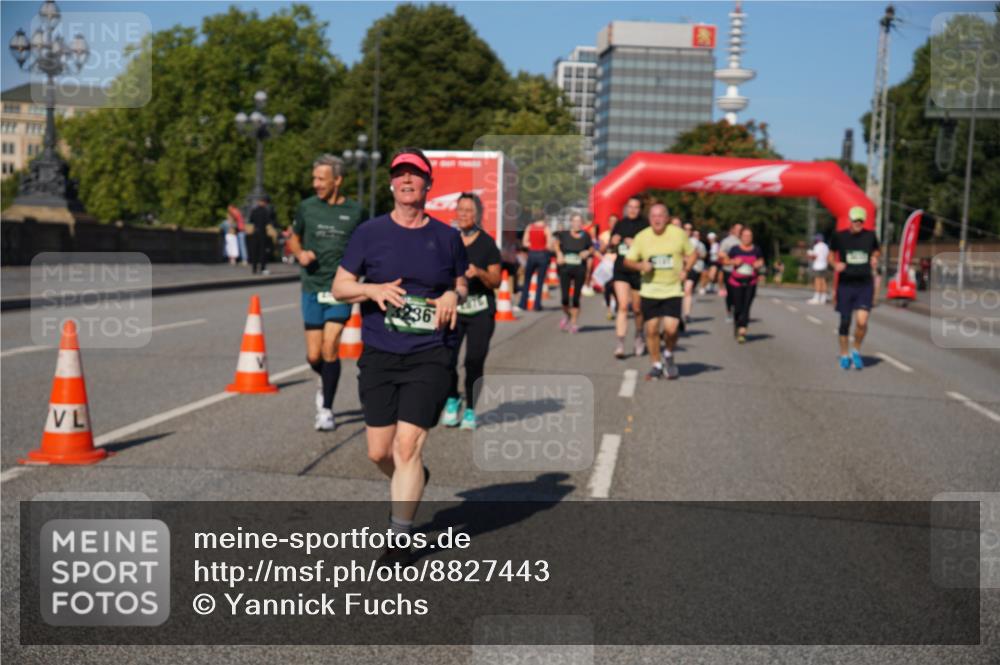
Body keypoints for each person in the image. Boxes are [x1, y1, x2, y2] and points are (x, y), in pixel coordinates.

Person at [332, 148, 468, 565]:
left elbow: (461, 285)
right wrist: (372, 290)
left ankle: (399, 537)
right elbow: (341, 287)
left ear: (429, 185)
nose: (408, 181)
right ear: (392, 184)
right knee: (380, 452)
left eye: (416, 175)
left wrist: (449, 293)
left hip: (430, 353)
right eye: (400, 175)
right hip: (380, 352)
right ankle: (413, 482)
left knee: (407, 447)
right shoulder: (369, 233)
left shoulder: (446, 237)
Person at [287, 154, 366, 431]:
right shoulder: (307, 208)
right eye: (314, 178)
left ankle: (327, 409)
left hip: (340, 289)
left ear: (338, 180)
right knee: (314, 355)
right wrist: (300, 254)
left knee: (331, 346)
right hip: (312, 286)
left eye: (321, 179)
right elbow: (294, 238)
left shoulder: (356, 212)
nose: (316, 184)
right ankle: (326, 378)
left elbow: (366, 245)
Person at [441, 192, 501, 430]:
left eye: (469, 211)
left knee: (474, 361)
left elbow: (496, 280)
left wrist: (480, 272)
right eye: (460, 210)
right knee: (446, 359)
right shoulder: (449, 239)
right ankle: (453, 399)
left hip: (480, 311)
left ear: (478, 215)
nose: (463, 215)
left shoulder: (487, 243)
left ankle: (471, 410)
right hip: (454, 310)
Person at [623, 204, 694, 381]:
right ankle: (656, 364)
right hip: (650, 290)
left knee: (671, 329)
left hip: (672, 289)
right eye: (654, 216)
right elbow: (628, 261)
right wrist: (640, 265)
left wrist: (687, 268)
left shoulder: (678, 234)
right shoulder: (642, 237)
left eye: (661, 215)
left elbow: (693, 254)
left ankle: (668, 354)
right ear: (649, 219)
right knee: (652, 329)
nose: (657, 219)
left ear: (667, 218)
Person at [830, 206, 880, 370]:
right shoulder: (839, 236)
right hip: (846, 285)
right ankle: (844, 354)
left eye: (861, 220)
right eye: (855, 220)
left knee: (861, 321)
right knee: (845, 322)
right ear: (850, 220)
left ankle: (856, 350)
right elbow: (831, 254)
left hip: (864, 284)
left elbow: (877, 250)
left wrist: (874, 257)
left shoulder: (870, 236)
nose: (858, 223)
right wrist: (835, 264)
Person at [610, 197, 649, 359]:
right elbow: (611, 246)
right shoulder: (620, 223)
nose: (632, 210)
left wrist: (636, 245)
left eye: (636, 207)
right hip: (621, 270)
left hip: (638, 271)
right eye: (630, 207)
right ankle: (620, 344)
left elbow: (651, 248)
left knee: (638, 309)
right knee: (623, 306)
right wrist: (613, 241)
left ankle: (639, 335)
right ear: (626, 208)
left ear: (640, 209)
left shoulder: (645, 225)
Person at [721, 227, 765, 343]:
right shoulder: (735, 249)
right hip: (736, 282)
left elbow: (761, 260)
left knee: (746, 306)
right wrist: (733, 262)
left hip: (751, 281)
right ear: (740, 237)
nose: (747, 238)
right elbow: (724, 261)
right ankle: (737, 324)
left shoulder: (756, 249)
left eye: (749, 236)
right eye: (745, 236)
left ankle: (742, 329)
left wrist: (758, 264)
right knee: (738, 306)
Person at [555, 213, 594, 333]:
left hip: (579, 269)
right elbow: (556, 245)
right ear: (571, 222)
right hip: (565, 268)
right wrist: (559, 254)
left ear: (582, 223)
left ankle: (574, 323)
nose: (577, 224)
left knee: (576, 297)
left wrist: (587, 252)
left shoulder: (586, 236)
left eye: (579, 221)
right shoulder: (564, 234)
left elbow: (592, 248)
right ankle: (567, 315)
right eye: (575, 221)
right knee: (565, 298)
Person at [518, 217, 552, 311]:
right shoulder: (546, 228)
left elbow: (525, 242)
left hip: (532, 254)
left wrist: (532, 245)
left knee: (527, 280)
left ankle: (523, 304)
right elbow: (549, 244)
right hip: (542, 255)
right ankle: (537, 305)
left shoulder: (530, 227)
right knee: (540, 281)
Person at [718, 223, 743, 321]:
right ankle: (729, 311)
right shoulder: (727, 241)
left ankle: (739, 311)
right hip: (729, 270)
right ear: (733, 230)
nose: (739, 231)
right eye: (737, 229)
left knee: (741, 293)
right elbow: (720, 253)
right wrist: (731, 260)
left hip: (742, 272)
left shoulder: (744, 241)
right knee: (731, 293)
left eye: (741, 229)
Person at [682, 223, 706, 324]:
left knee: (688, 290)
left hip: (693, 268)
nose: (687, 231)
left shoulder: (695, 242)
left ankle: (687, 314)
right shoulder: (675, 239)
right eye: (685, 229)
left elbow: (702, 254)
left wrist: (693, 257)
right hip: (678, 268)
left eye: (689, 229)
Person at [598, 214, 619, 319]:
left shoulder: (621, 234)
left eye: (615, 221)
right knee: (607, 287)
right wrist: (608, 245)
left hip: (618, 264)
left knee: (616, 287)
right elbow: (601, 250)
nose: (613, 223)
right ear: (608, 223)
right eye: (611, 221)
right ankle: (609, 309)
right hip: (607, 264)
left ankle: (616, 304)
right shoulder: (604, 235)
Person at [248, 195, 275, 275]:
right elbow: (269, 221)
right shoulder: (266, 211)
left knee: (255, 251)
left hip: (255, 232)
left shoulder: (254, 210)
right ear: (264, 202)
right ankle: (263, 268)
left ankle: (254, 268)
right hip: (262, 233)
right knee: (263, 251)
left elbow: (251, 220)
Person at [807, 233, 830, 304]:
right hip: (824, 265)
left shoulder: (817, 246)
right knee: (823, 282)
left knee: (817, 281)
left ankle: (816, 298)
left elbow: (814, 257)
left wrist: (809, 254)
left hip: (818, 265)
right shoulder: (826, 246)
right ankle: (823, 298)